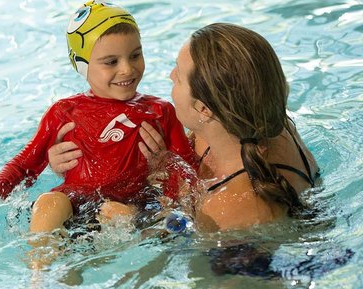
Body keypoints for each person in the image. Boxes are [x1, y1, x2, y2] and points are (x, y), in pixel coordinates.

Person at [0, 0, 196, 266]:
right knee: (49, 203)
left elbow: (188, 168)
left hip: (128, 207)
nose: (127, 69)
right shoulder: (65, 112)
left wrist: (165, 168)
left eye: (135, 55)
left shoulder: (160, 112)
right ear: (81, 64)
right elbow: (26, 164)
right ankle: (39, 272)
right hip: (74, 205)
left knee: (116, 212)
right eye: (111, 62)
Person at [49, 22, 319, 232]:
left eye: (178, 75)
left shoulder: (232, 206)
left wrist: (135, 226)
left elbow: (187, 254)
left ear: (203, 109)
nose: (170, 76)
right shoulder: (266, 123)